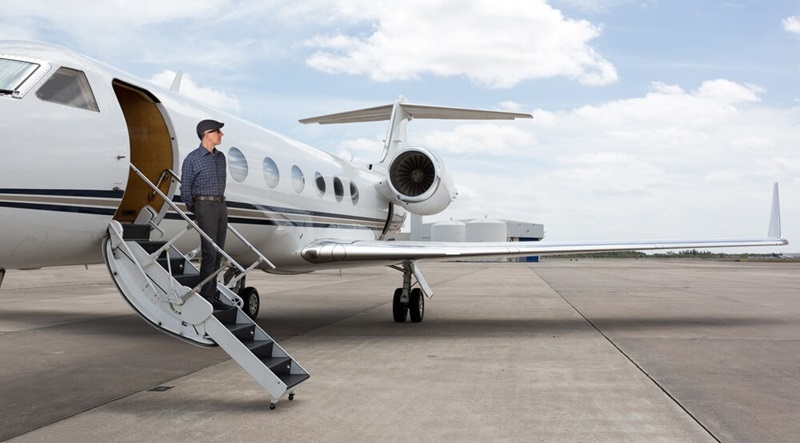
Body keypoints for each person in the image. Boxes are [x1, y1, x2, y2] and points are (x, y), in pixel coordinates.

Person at [180, 119, 228, 303]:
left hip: (221, 206)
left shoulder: (220, 157)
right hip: (204, 206)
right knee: (210, 252)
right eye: (218, 132)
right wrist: (198, 211)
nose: (221, 135)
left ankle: (212, 294)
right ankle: (206, 296)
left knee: (219, 253)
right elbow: (185, 191)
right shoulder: (192, 159)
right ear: (207, 134)